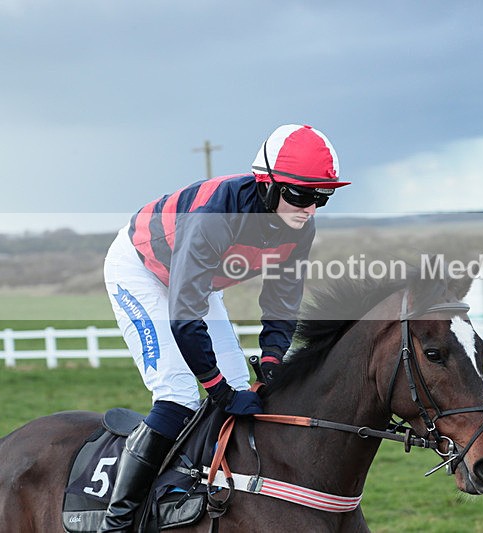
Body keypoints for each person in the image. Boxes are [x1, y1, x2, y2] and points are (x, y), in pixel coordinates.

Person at [99, 124, 349, 531]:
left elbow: (282, 299)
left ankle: (202, 481)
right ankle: (119, 520)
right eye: (301, 195)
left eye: (323, 196)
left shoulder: (302, 226)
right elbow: (184, 315)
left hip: (197, 282)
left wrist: (271, 360)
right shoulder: (217, 215)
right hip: (141, 271)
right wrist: (215, 388)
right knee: (179, 394)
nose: (310, 208)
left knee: (245, 388)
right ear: (266, 185)